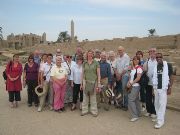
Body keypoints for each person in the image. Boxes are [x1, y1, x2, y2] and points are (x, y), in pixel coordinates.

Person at [81, 49, 101, 117]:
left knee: (93, 97)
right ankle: (84, 110)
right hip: (85, 81)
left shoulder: (96, 63)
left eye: (91, 53)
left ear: (93, 55)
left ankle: (94, 111)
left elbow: (98, 74)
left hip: (93, 82)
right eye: (89, 53)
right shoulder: (84, 63)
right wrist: (81, 83)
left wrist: (98, 83)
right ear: (87, 55)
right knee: (85, 97)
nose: (90, 54)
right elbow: (82, 73)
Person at [152, 53, 169, 129]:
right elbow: (154, 77)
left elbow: (171, 76)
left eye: (160, 57)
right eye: (157, 57)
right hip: (156, 88)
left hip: (163, 88)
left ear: (162, 57)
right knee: (156, 104)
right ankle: (159, 116)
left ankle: (160, 121)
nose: (158, 58)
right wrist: (153, 88)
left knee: (162, 104)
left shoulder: (167, 65)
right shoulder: (156, 66)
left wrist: (170, 87)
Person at [127, 56, 142, 122]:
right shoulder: (133, 68)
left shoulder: (139, 68)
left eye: (137, 59)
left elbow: (138, 78)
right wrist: (128, 82)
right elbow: (131, 77)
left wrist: (131, 83)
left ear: (139, 60)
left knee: (130, 99)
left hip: (136, 86)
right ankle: (138, 113)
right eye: (134, 59)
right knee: (136, 100)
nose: (135, 60)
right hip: (132, 85)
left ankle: (134, 116)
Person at [114, 46, 130, 111]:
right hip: (119, 76)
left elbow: (126, 68)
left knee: (124, 89)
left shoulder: (127, 57)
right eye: (118, 50)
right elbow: (114, 67)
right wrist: (117, 74)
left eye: (120, 50)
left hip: (125, 75)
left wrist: (120, 75)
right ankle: (120, 104)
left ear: (123, 50)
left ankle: (126, 105)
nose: (119, 51)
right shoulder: (117, 58)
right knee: (119, 90)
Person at [143, 48, 157, 118]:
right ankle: (149, 111)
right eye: (150, 51)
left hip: (155, 83)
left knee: (155, 98)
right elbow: (144, 70)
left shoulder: (158, 61)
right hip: (148, 82)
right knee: (148, 98)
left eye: (153, 51)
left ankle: (154, 112)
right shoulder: (147, 61)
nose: (152, 52)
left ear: (156, 52)